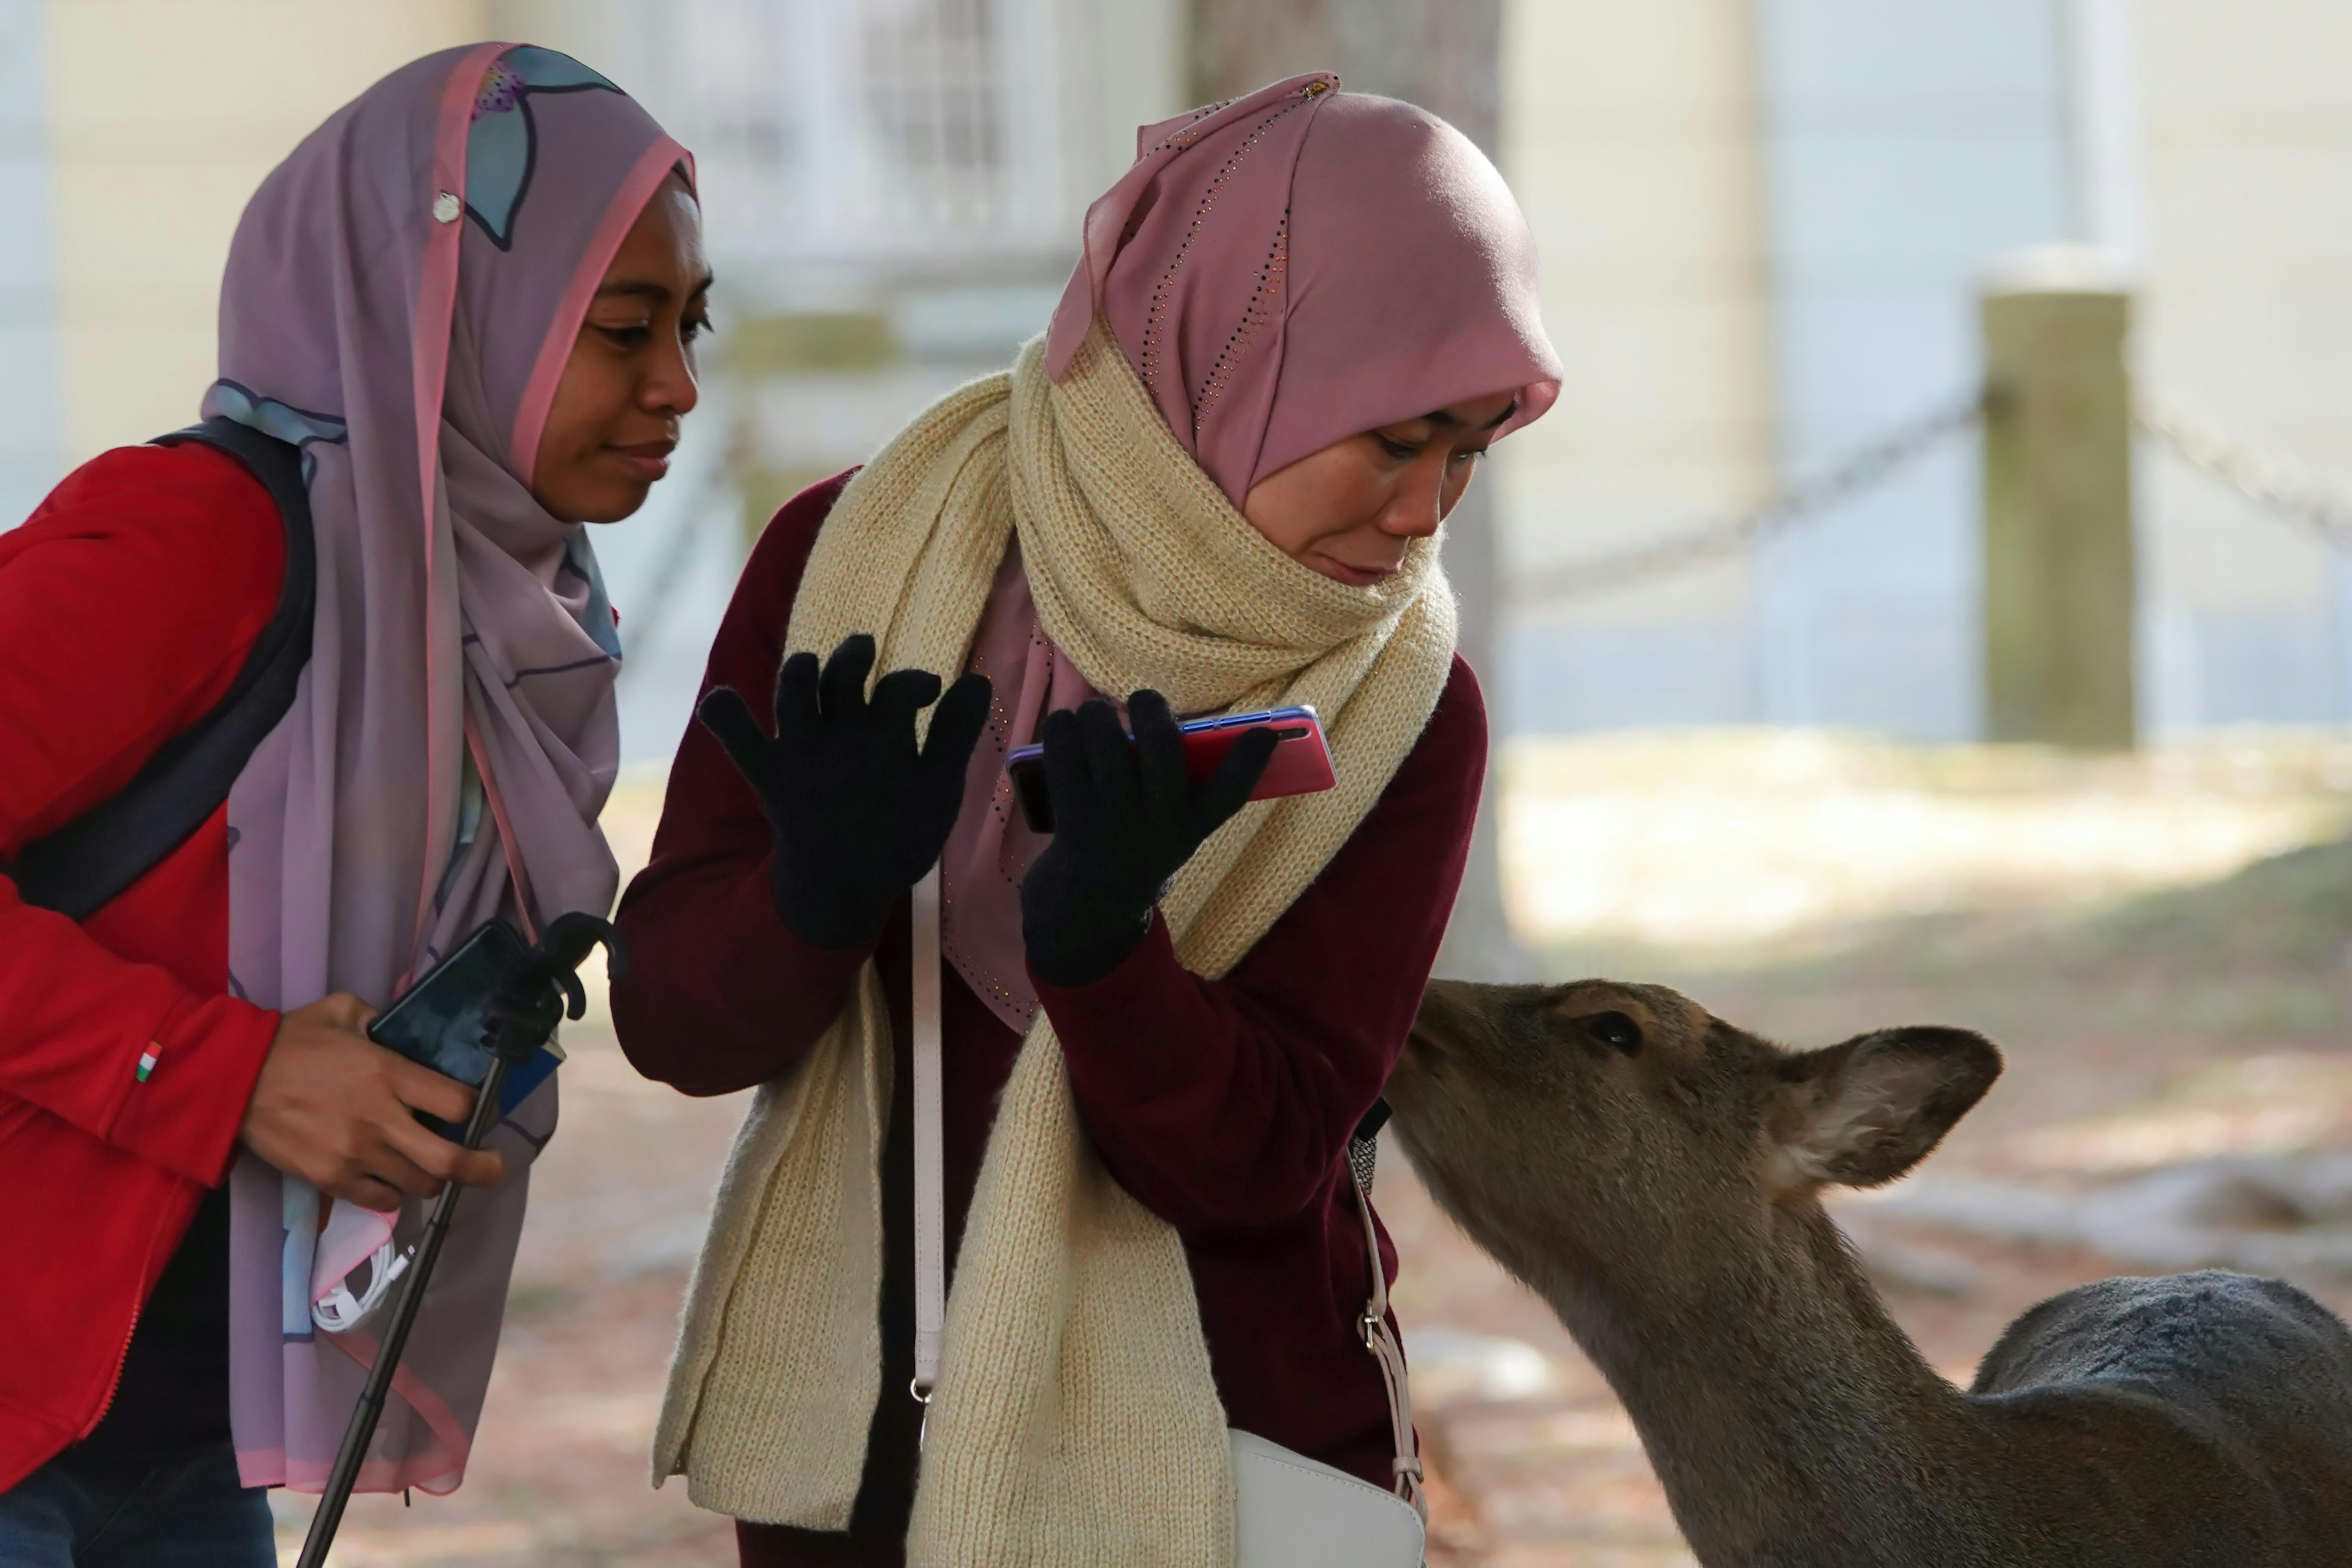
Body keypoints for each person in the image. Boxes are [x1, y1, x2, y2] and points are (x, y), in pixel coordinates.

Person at [613, 73, 1559, 1567]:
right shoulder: (861, 556)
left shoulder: (1404, 700)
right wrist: (811, 896)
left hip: (1233, 1446)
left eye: (1472, 449)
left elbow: (1261, 1166)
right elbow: (673, 1024)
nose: (1426, 509)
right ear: (1236, 353)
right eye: (1396, 439)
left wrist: (1107, 953)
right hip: (865, 1433)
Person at [0, 43, 703, 1566]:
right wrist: (218, 1072)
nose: (680, 388)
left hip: (181, 1439)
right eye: (626, 329)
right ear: (452, 308)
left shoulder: (499, 615)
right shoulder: (205, 538)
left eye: (693, 327)